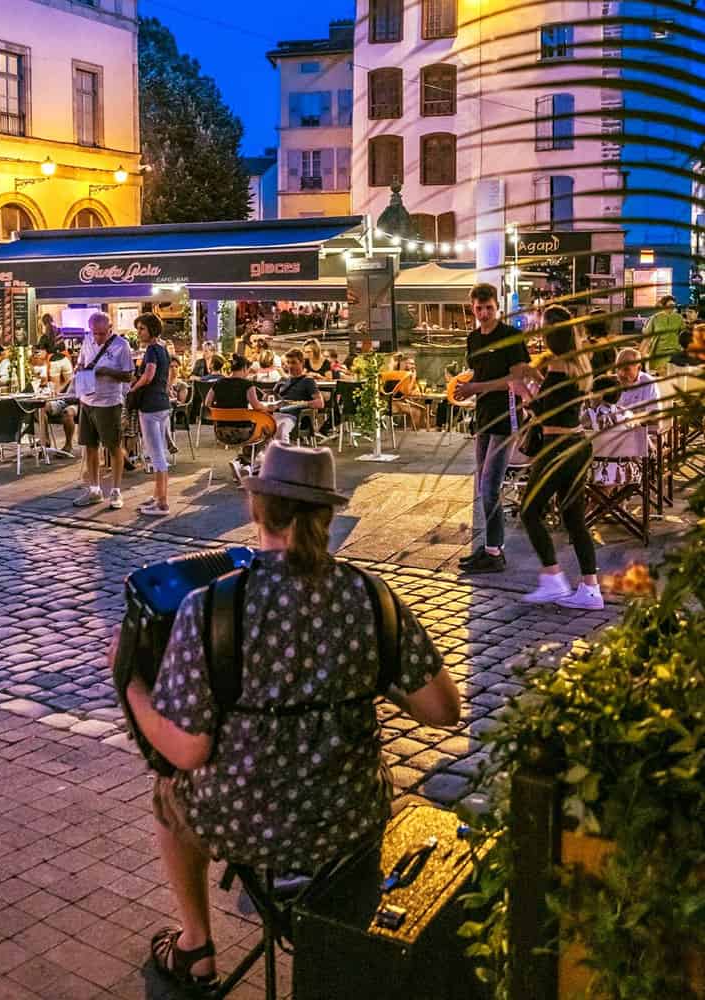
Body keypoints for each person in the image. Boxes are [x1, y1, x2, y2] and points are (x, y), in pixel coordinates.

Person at [124, 442, 460, 991]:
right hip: (347, 819)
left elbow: (187, 751)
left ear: (258, 511)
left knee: (169, 791)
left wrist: (134, 687)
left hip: (237, 818)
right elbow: (443, 710)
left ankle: (196, 947)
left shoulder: (211, 607)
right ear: (328, 516)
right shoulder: (369, 597)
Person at [518, 306, 602, 610]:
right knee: (574, 520)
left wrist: (523, 391)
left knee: (530, 511)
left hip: (558, 449)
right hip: (579, 446)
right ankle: (590, 589)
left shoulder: (558, 367)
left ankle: (553, 578)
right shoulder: (579, 363)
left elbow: (544, 413)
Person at [454, 283, 532, 574]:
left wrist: (478, 386)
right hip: (484, 418)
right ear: (472, 308)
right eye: (479, 308)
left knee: (490, 487)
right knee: (483, 487)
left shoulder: (511, 337)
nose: (484, 313)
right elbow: (479, 372)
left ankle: (494, 551)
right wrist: (467, 388)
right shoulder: (473, 339)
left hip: (507, 418)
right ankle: (490, 547)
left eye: (489, 308)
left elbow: (517, 380)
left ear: (497, 308)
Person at [73, 311, 134, 510]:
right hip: (88, 400)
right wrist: (80, 370)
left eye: (102, 333)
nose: (98, 337)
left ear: (110, 328)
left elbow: (128, 376)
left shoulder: (121, 345)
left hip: (109, 402)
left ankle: (116, 491)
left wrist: (106, 371)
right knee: (90, 446)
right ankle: (94, 489)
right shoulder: (87, 340)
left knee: (113, 446)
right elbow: (81, 362)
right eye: (95, 333)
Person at [129, 313, 173, 516]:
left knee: (156, 455)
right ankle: (157, 496)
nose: (139, 332)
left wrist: (133, 388)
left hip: (150, 406)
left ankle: (162, 502)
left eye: (142, 329)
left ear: (151, 330)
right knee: (160, 451)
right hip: (162, 403)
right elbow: (169, 373)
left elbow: (149, 375)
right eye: (138, 328)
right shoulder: (163, 348)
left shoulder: (152, 350)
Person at [205, 353, 269, 484]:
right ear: (245, 368)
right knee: (267, 431)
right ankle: (243, 462)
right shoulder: (247, 385)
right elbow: (257, 406)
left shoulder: (218, 383)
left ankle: (244, 464)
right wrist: (267, 407)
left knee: (257, 432)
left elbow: (207, 404)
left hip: (221, 433)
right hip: (243, 433)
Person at [267, 348, 325, 443]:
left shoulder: (308, 381)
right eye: (288, 363)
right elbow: (271, 397)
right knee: (258, 427)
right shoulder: (282, 380)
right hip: (276, 414)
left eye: (293, 362)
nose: (290, 366)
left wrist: (297, 403)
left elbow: (320, 403)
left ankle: (284, 456)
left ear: (302, 363)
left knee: (281, 429)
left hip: (294, 417)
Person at [615, 346, 661, 426]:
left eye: (626, 369)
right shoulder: (612, 382)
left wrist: (629, 420)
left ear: (639, 368)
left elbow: (654, 417)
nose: (621, 374)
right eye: (618, 368)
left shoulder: (648, 383)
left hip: (642, 432)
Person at [640, 295, 684, 374]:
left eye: (674, 305)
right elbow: (647, 338)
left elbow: (683, 336)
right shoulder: (655, 318)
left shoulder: (679, 318)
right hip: (658, 354)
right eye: (670, 305)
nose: (672, 307)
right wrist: (641, 356)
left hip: (674, 353)